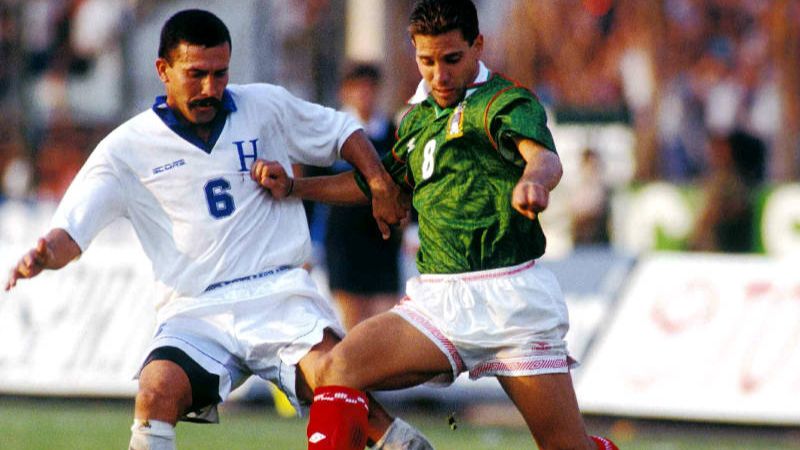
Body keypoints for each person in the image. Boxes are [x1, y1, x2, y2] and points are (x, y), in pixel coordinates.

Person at [4, 9, 432, 450]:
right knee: (155, 391)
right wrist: (44, 255)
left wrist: (380, 182)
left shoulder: (264, 106)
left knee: (339, 382)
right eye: (196, 75)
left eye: (220, 73)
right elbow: (71, 231)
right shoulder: (125, 149)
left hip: (278, 296)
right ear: (162, 71)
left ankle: (405, 444)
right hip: (196, 311)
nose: (211, 88)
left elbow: (342, 131)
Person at [251, 1, 619, 448]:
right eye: (427, 61)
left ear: (477, 46)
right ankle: (399, 442)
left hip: (511, 302)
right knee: (336, 369)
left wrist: (533, 182)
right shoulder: (419, 118)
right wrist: (294, 188)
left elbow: (544, 159)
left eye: (452, 59)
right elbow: (381, 185)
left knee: (566, 446)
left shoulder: (503, 102)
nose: (439, 75)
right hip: (440, 300)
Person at [323, 62, 402, 330]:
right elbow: (312, 186)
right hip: (344, 242)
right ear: (346, 92)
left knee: (384, 324)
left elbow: (407, 184)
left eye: (370, 89)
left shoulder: (392, 133)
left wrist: (411, 227)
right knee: (353, 327)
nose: (364, 95)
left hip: (383, 241)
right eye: (357, 89)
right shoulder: (330, 132)